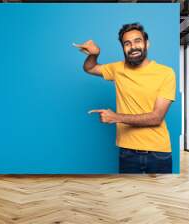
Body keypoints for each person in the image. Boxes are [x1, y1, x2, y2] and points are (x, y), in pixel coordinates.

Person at [74, 22, 176, 173]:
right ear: (123, 48)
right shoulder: (118, 69)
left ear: (147, 44)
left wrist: (116, 117)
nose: (133, 47)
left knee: (158, 195)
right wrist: (94, 54)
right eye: (127, 43)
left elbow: (156, 117)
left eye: (137, 41)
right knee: (128, 195)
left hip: (158, 153)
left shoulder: (166, 73)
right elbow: (89, 68)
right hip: (127, 152)